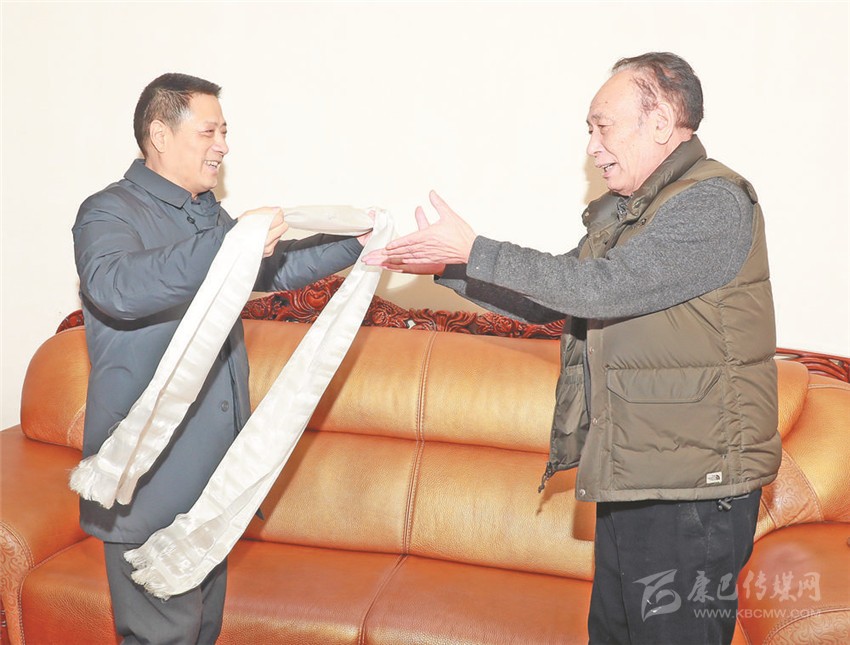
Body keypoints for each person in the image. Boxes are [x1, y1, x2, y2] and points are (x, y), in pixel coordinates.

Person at [364, 52, 781, 644]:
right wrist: (451, 266)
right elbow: (558, 295)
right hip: (639, 469)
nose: (592, 146)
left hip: (692, 487)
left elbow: (601, 288)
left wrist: (476, 249)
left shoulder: (711, 202)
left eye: (602, 126)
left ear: (661, 122)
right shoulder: (638, 212)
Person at [72, 72, 368, 644]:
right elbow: (117, 288)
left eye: (225, 132)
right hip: (149, 480)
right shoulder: (108, 212)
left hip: (213, 482)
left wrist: (354, 243)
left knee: (202, 631)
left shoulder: (206, 214)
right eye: (210, 132)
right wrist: (230, 243)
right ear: (161, 134)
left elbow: (274, 269)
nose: (224, 146)